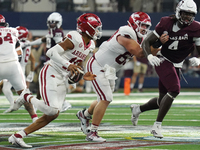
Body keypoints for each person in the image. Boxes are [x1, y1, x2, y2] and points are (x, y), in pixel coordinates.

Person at [8, 13, 102, 148]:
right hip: (51, 72)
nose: (98, 31)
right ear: (88, 28)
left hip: (62, 77)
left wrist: (82, 75)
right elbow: (51, 52)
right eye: (96, 27)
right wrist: (68, 65)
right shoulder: (75, 38)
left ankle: (18, 136)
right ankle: (26, 96)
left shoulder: (91, 44)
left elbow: (77, 63)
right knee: (52, 111)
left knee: (53, 114)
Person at [76, 12, 153, 142]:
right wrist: (157, 44)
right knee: (106, 97)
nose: (145, 29)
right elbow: (140, 53)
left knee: (103, 98)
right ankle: (93, 132)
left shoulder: (139, 37)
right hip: (97, 65)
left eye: (147, 26)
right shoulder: (126, 32)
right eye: (143, 25)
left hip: (109, 70)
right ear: (134, 23)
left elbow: (147, 50)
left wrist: (160, 46)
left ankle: (84, 115)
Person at [130, 0, 200, 139]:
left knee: (162, 100)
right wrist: (149, 56)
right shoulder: (166, 23)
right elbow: (146, 42)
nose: (187, 18)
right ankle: (157, 126)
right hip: (163, 59)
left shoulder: (196, 28)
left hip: (177, 63)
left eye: (190, 15)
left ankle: (138, 109)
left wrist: (199, 58)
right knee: (174, 89)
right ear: (179, 12)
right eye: (185, 14)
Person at [23, 12, 71, 112]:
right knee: (45, 83)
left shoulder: (57, 32)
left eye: (54, 23)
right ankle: (61, 102)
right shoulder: (52, 32)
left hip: (54, 62)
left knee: (47, 83)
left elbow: (61, 47)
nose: (51, 24)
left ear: (59, 23)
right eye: (50, 22)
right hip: (49, 62)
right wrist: (29, 44)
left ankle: (62, 102)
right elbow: (42, 40)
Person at [0, 15, 38, 121]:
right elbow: (19, 52)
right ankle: (34, 118)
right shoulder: (13, 31)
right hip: (13, 65)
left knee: (7, 89)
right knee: (24, 93)